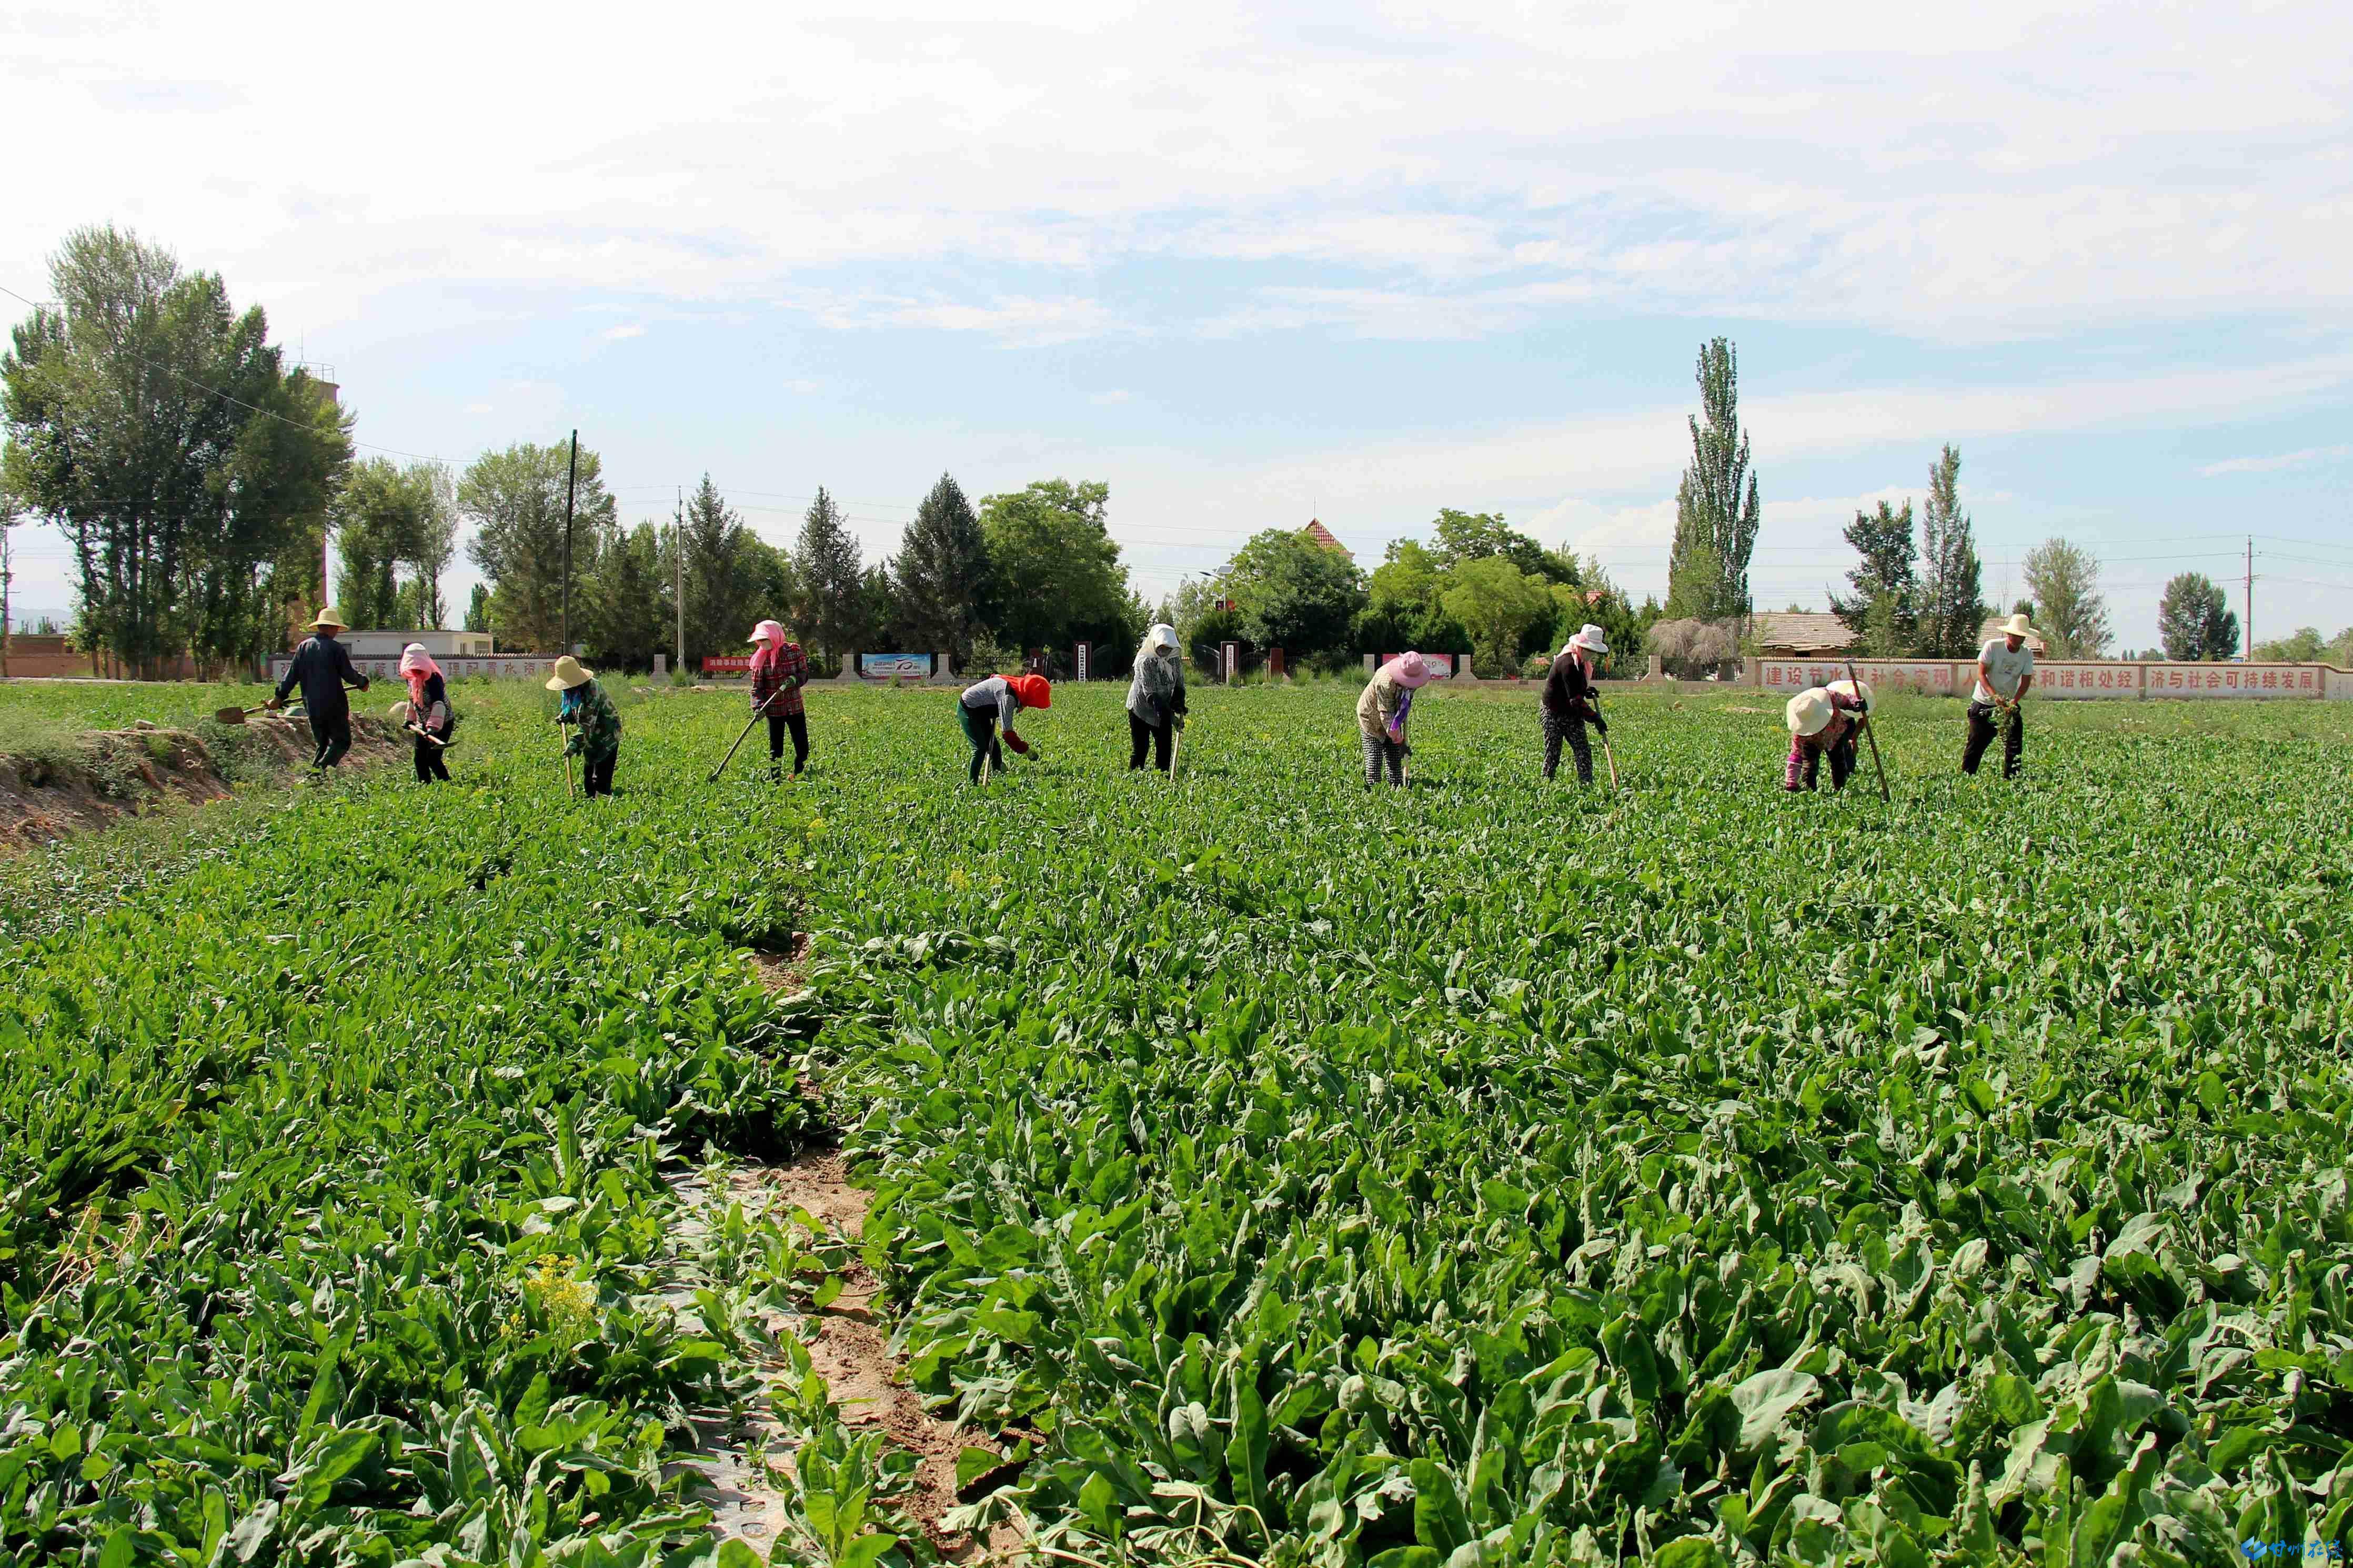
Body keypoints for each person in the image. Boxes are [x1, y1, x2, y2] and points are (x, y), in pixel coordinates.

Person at [268, 609, 370, 772]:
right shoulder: (335, 649)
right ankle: (317, 774)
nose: (337, 631)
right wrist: (363, 682)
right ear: (329, 628)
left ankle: (314, 784)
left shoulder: (303, 648)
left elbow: (291, 677)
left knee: (322, 745)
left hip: (312, 706)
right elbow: (349, 675)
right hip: (334, 706)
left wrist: (278, 697)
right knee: (342, 742)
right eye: (335, 628)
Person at [1964, 613, 2037, 779]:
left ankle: (2012, 778)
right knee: (1977, 743)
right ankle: (1967, 777)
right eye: (2015, 635)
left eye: (2021, 637)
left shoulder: (2027, 654)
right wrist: (1994, 696)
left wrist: (2014, 703)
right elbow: (1981, 674)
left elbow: (2025, 682)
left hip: (2008, 705)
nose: (2018, 640)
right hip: (1984, 702)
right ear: (2008, 634)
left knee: (2014, 744)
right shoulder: (1993, 647)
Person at [1541, 625, 1611, 784]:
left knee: (1583, 751)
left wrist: (1585, 690)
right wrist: (1595, 718)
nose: (1593, 654)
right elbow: (1575, 700)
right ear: (1582, 647)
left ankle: (1587, 786)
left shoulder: (1580, 663)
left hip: (1571, 711)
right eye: (1591, 650)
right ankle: (1545, 786)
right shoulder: (1568, 663)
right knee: (1553, 753)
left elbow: (1574, 689)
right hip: (1554, 712)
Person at [548, 655, 622, 797]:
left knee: (600, 780)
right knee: (589, 776)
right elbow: (574, 707)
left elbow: (587, 725)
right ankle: (590, 799)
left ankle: (604, 801)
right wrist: (566, 715)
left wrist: (574, 745)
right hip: (591, 736)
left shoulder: (592, 690)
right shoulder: (573, 690)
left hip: (607, 733)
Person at [1356, 651, 1434, 787]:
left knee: (1394, 755)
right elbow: (1386, 714)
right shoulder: (1385, 682)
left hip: (1393, 717)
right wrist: (1399, 740)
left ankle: (1396, 785)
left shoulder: (1413, 677)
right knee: (1375, 756)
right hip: (1371, 716)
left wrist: (1399, 736)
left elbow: (1405, 703)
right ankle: (1374, 789)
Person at [959, 671, 1050, 782]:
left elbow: (995, 678)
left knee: (994, 748)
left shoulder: (1017, 686)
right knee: (980, 748)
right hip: (968, 708)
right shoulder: (1008, 698)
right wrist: (1026, 750)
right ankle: (971, 783)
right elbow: (1008, 734)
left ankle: (998, 777)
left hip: (981, 712)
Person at [748, 619, 810, 778]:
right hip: (774, 710)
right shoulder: (760, 659)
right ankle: (775, 782)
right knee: (776, 750)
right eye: (759, 640)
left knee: (803, 748)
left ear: (775, 636)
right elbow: (757, 689)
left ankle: (798, 775)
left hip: (795, 708)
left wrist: (795, 679)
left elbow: (804, 673)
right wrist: (758, 707)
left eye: (764, 639)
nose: (761, 643)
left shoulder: (794, 650)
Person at [1783, 680, 1871, 792]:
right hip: (1811, 743)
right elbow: (1795, 757)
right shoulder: (1800, 734)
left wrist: (1855, 704)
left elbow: (1846, 700)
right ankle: (1810, 792)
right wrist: (1791, 784)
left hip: (1835, 735)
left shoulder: (1831, 697)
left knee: (1839, 764)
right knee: (1809, 767)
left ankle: (1840, 790)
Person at [1126, 623, 1188, 772]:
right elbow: (1151, 694)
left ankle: (1163, 775)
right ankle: (1134, 776)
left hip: (1163, 706)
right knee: (1141, 748)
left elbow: (1179, 684)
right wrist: (1171, 718)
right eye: (1161, 647)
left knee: (1164, 746)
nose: (1164, 651)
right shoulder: (1144, 662)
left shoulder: (1174, 660)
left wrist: (1178, 704)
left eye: (1167, 648)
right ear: (1154, 644)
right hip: (1141, 707)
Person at [398, 642, 457, 783]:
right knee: (419, 759)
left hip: (443, 722)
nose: (416, 669)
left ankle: (448, 785)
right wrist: (410, 719)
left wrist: (433, 728)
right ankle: (426, 787)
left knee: (433, 758)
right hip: (423, 723)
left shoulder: (434, 678)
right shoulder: (411, 679)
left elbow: (439, 703)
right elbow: (413, 699)